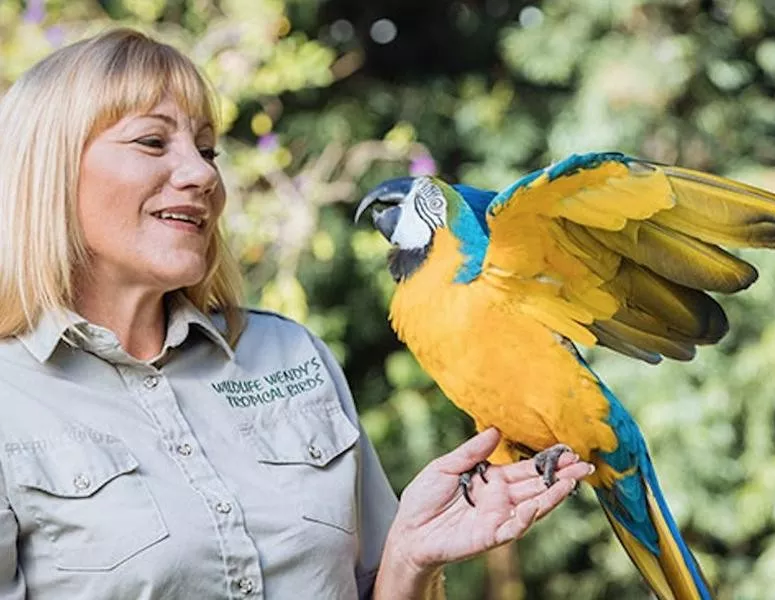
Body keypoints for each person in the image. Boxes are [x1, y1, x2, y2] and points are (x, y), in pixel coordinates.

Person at [0, 28, 594, 599]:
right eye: (153, 142)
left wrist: (412, 557)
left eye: (207, 150)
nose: (204, 173)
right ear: (48, 173)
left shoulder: (290, 354)